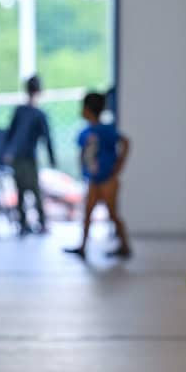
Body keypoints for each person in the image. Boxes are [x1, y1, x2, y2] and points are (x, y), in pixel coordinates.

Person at [64, 92, 133, 260]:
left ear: (88, 110)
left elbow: (125, 142)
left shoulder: (105, 130)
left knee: (112, 214)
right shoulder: (85, 132)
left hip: (108, 179)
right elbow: (83, 152)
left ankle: (124, 246)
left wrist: (118, 166)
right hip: (93, 180)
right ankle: (83, 246)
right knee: (87, 212)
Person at [3, 75, 56, 235]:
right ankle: (40, 222)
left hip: (17, 157)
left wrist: (7, 152)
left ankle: (24, 223)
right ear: (39, 91)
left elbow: (10, 134)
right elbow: (47, 138)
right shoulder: (38, 114)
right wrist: (52, 159)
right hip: (27, 158)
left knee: (21, 189)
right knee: (33, 189)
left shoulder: (20, 111)